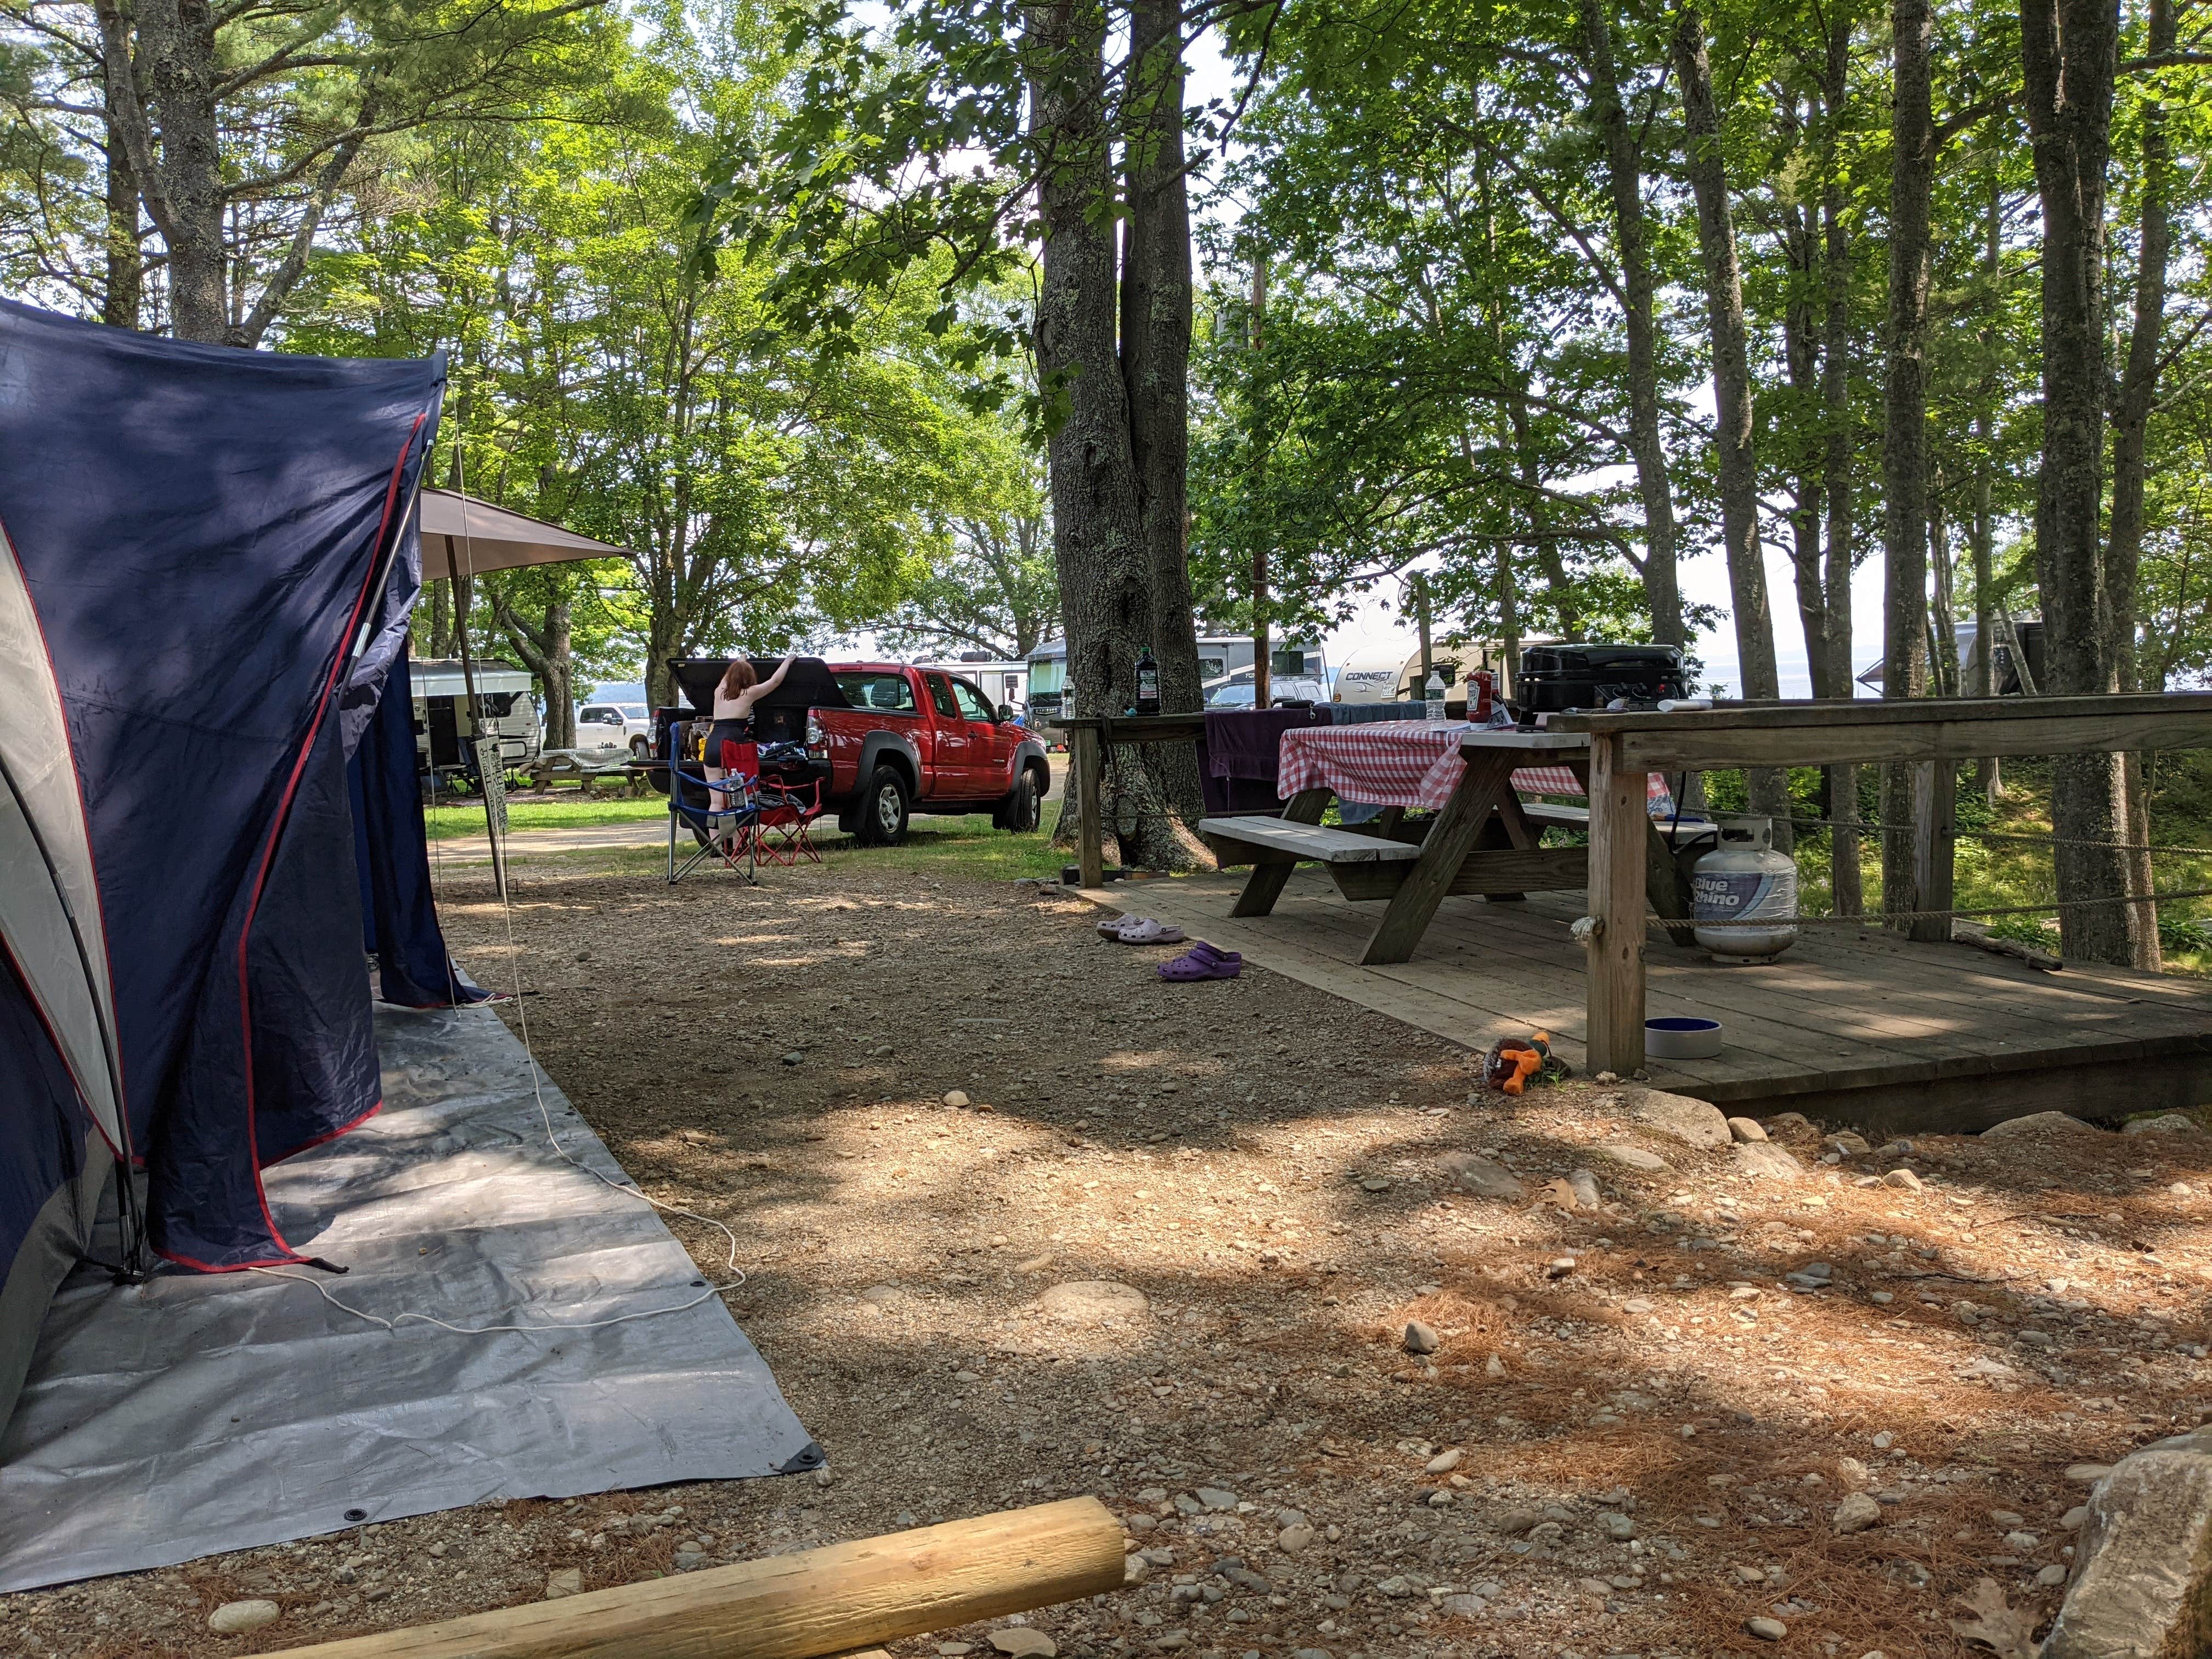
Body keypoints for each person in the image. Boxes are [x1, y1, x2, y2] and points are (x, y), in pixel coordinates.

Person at [706, 654, 793, 809]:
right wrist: (787, 661)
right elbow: (775, 681)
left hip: (712, 744)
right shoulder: (748, 693)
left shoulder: (719, 691)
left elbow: (728, 679)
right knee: (737, 799)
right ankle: (736, 834)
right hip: (732, 746)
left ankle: (716, 835)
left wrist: (739, 663)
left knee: (716, 800)